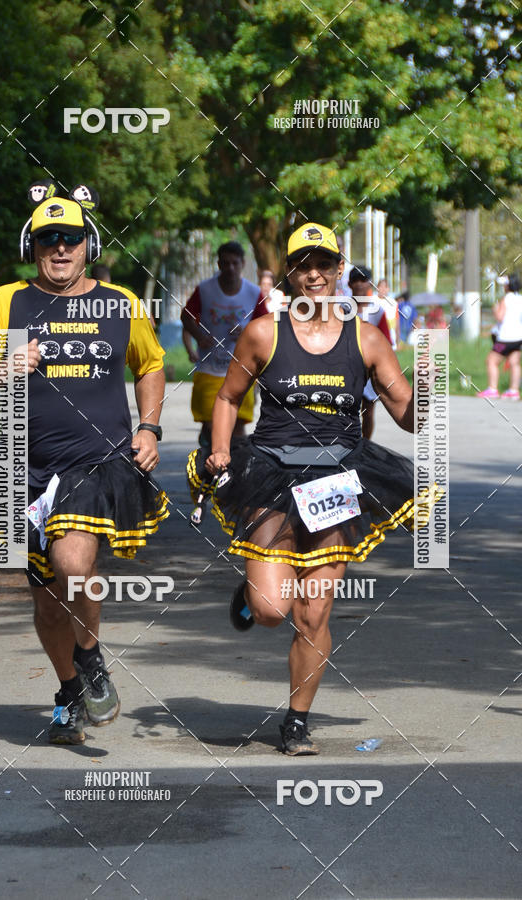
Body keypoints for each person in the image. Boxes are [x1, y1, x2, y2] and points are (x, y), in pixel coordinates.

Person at [187, 222, 428, 756]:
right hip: (270, 473)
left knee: (313, 612)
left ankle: (296, 722)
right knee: (272, 609)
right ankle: (254, 594)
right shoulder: (263, 333)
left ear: (340, 269)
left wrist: (428, 390)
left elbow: (409, 415)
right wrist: (220, 447)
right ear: (289, 273)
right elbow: (227, 398)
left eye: (324, 264)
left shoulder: (367, 339)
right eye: (303, 265)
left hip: (337, 480)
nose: (314, 274)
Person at [0, 182, 168, 745]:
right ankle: (69, 691)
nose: (60, 248)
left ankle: (91, 658)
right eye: (48, 238)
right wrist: (5, 366)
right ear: (33, 246)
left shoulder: (120, 303)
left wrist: (149, 427)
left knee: (73, 564)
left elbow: (150, 365)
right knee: (48, 602)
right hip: (21, 468)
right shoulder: (7, 302)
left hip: (95, 464)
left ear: (88, 244)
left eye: (70, 238)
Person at [181, 241, 267, 447]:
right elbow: (186, 316)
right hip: (209, 368)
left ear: (242, 264)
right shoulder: (205, 289)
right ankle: (210, 457)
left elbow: (267, 324)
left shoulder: (253, 292)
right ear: (218, 264)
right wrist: (199, 336)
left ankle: (237, 463)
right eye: (225, 263)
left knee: (238, 426)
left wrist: (247, 332)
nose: (230, 268)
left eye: (235, 263)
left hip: (241, 369)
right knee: (212, 425)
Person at [348, 264, 391, 440]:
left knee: (368, 410)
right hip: (346, 367)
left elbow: (386, 342)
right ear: (349, 284)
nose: (359, 284)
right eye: (355, 280)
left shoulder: (377, 311)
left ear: (370, 284)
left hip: (369, 368)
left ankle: (365, 444)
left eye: (363, 279)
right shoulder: (340, 309)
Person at [477, 273, 522, 400]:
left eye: (504, 285)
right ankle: (513, 391)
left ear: (508, 285)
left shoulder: (505, 299)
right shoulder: (520, 298)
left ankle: (492, 389)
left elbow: (500, 317)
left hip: (505, 338)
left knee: (491, 361)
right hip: (518, 337)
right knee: (514, 362)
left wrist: (495, 309)